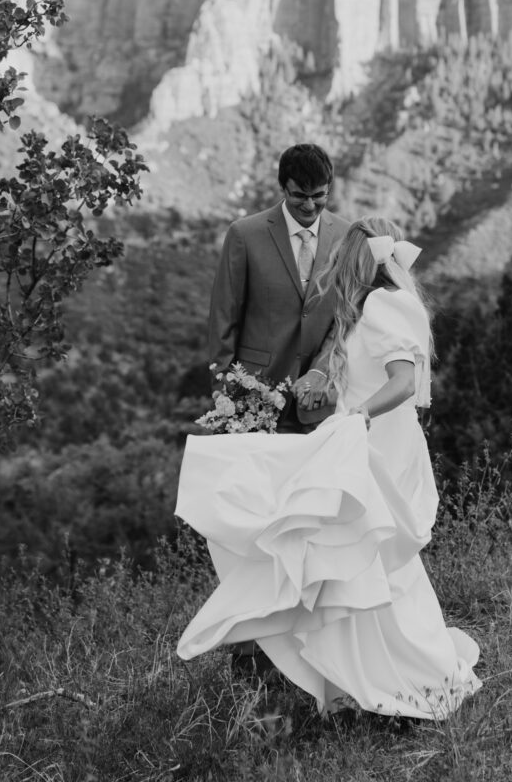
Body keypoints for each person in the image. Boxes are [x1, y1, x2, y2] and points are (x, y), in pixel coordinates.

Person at [176, 217, 482, 719]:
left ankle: (386, 676)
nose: (337, 263)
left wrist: (358, 416)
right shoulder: (368, 307)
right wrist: (321, 385)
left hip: (375, 445)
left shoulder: (383, 304)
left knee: (364, 556)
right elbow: (355, 365)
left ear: (362, 257)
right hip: (368, 442)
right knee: (365, 559)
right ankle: (363, 678)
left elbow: (403, 382)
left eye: (346, 255)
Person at [207, 143, 349, 430]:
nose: (310, 205)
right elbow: (224, 317)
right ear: (283, 188)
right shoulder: (244, 235)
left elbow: (347, 316)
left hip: (321, 402)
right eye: (300, 195)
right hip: (254, 397)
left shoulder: (347, 236)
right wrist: (224, 393)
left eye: (319, 195)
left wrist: (322, 371)